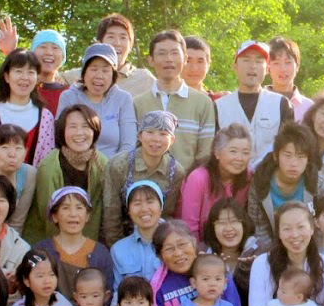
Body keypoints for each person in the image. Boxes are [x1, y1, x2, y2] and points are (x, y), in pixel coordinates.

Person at [133, 30, 217, 171]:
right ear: (150, 60)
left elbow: (205, 154)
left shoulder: (203, 103)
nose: (169, 59)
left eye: (174, 53)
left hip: (188, 182)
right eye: (162, 53)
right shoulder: (138, 104)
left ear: (184, 58)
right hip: (144, 182)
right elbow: (133, 149)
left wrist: (189, 180)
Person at [25, 105, 107, 245]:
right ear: (62, 131)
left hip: (88, 242)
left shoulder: (102, 163)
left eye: (86, 126)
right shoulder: (49, 166)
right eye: (72, 127)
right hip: (47, 241)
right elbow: (48, 216)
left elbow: (98, 213)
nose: (79, 133)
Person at [103, 112, 185, 242]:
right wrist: (116, 247)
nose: (156, 139)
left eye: (163, 134)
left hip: (156, 239)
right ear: (140, 136)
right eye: (150, 132)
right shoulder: (119, 165)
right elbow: (111, 212)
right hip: (121, 238)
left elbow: (166, 214)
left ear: (172, 140)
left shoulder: (175, 172)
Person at [0, 49, 57, 167]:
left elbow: (47, 164)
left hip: (33, 179)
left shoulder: (45, 117)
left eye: (31, 72)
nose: (25, 77)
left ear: (37, 77)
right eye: (18, 71)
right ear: (6, 77)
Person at [244, 124, 319, 256]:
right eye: (288, 155)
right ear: (276, 156)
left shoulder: (317, 183)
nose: (294, 163)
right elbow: (259, 228)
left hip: (307, 247)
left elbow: (320, 225)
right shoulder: (260, 183)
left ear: (308, 160)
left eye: (301, 157)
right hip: (271, 249)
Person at [216, 40, 291, 170]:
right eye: (246, 60)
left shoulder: (282, 104)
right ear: (235, 67)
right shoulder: (219, 107)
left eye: (259, 61)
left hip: (269, 179)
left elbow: (288, 148)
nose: (252, 66)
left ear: (267, 69)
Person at [57, 44, 137, 161]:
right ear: (84, 72)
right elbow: (60, 138)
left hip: (114, 167)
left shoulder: (123, 99)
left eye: (105, 70)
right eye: (93, 69)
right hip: (73, 164)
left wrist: (113, 167)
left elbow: (129, 144)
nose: (99, 76)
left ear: (113, 75)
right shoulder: (69, 97)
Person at [34, 187, 114, 298]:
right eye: (65, 208)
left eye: (79, 208)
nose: (73, 214)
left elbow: (108, 292)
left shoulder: (100, 253)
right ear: (55, 216)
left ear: (87, 216)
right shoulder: (40, 251)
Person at [177, 124, 252, 242]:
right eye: (233, 151)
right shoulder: (198, 178)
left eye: (245, 153)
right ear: (217, 153)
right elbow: (190, 227)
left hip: (232, 244)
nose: (240, 158)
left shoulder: (248, 177)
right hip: (198, 244)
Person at [111, 183, 167, 285]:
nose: (144, 209)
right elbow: (118, 290)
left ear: (161, 206)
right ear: (129, 211)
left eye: (150, 202)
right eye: (137, 204)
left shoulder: (178, 242)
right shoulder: (119, 250)